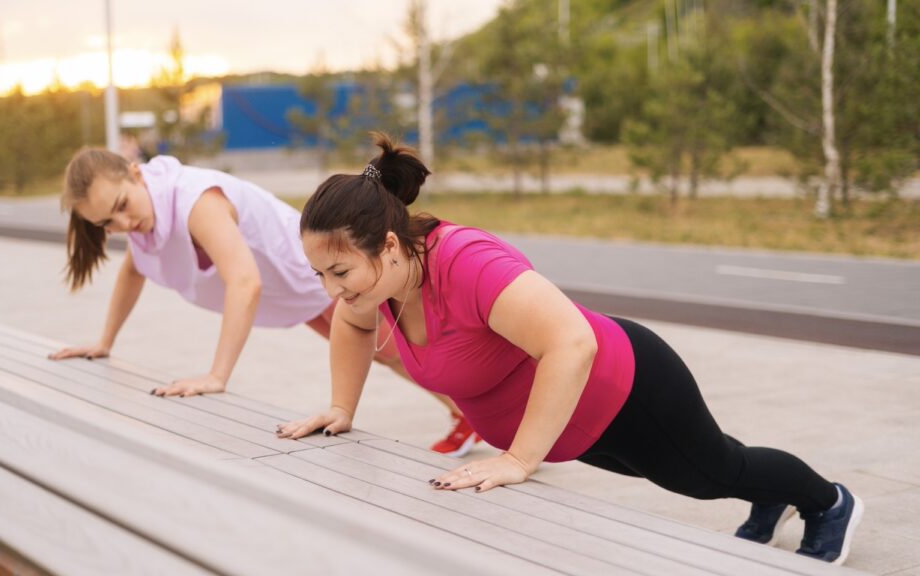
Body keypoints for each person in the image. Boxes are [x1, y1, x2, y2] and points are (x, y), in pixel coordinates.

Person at [276, 133, 863, 565]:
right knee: (707, 465)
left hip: (623, 385)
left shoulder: (466, 262)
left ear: (386, 244)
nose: (332, 290)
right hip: (575, 424)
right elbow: (351, 326)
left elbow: (570, 341)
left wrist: (519, 460)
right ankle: (770, 496)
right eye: (321, 274)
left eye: (338, 270)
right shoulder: (381, 281)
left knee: (707, 474)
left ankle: (827, 501)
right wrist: (341, 407)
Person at [48, 148, 481, 455]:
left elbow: (245, 282)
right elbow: (133, 271)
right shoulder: (145, 222)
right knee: (390, 353)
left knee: (394, 351)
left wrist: (218, 375)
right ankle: (469, 416)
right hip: (298, 292)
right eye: (109, 222)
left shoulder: (196, 200)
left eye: (123, 205)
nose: (125, 222)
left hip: (316, 274)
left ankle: (477, 416)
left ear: (137, 172)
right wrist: (105, 341)